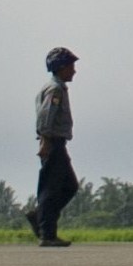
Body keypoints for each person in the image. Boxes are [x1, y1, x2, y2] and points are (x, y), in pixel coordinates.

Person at [29, 48, 80, 248]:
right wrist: (46, 140)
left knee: (70, 186)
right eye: (71, 67)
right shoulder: (55, 90)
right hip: (53, 142)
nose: (74, 71)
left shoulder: (57, 88)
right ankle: (47, 234)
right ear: (61, 67)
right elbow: (46, 116)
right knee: (51, 189)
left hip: (58, 142)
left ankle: (40, 216)